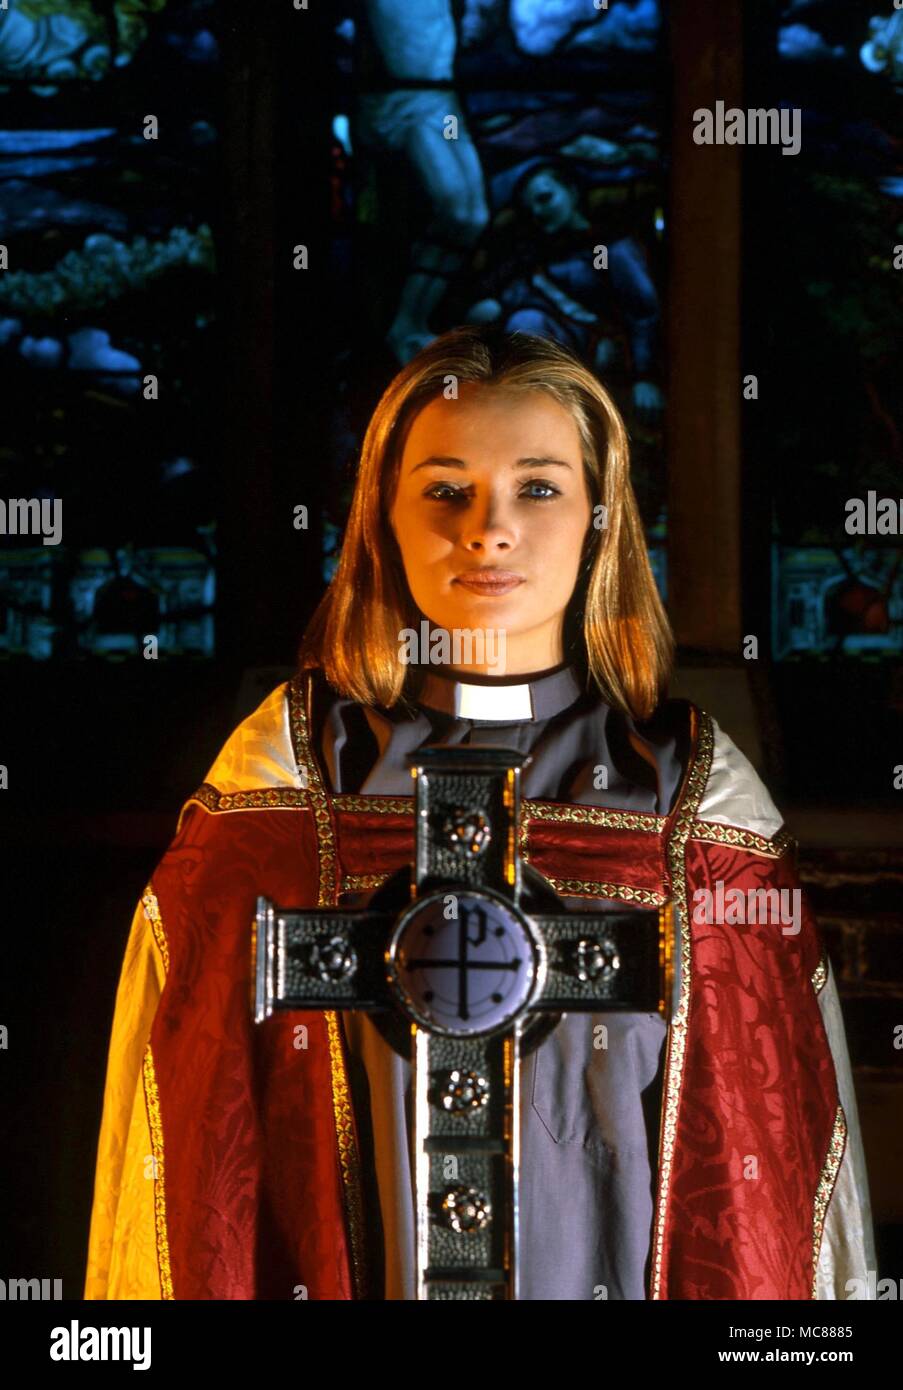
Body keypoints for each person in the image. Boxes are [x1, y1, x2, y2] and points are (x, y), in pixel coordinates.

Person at [84, 326, 875, 1301]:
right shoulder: (281, 790)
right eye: (445, 488)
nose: (488, 529)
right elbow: (191, 1166)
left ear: (600, 518)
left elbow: (766, 1188)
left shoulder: (690, 806)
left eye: (538, 487)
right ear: (381, 517)